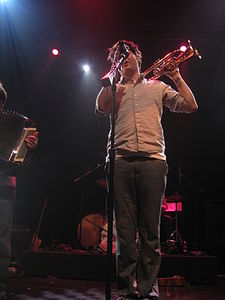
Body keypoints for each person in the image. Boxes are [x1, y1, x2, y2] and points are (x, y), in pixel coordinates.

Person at [95, 40, 198, 300]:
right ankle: (127, 291)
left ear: (139, 56)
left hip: (152, 161)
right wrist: (111, 81)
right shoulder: (114, 88)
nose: (123, 58)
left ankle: (148, 289)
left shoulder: (157, 87)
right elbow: (100, 108)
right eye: (118, 57)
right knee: (124, 232)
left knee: (150, 231)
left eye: (127, 54)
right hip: (119, 161)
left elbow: (190, 105)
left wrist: (175, 75)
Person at [0, 81, 38, 300]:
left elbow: (18, 165)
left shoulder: (17, 125)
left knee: (2, 246)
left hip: (4, 187)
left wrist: (28, 150)